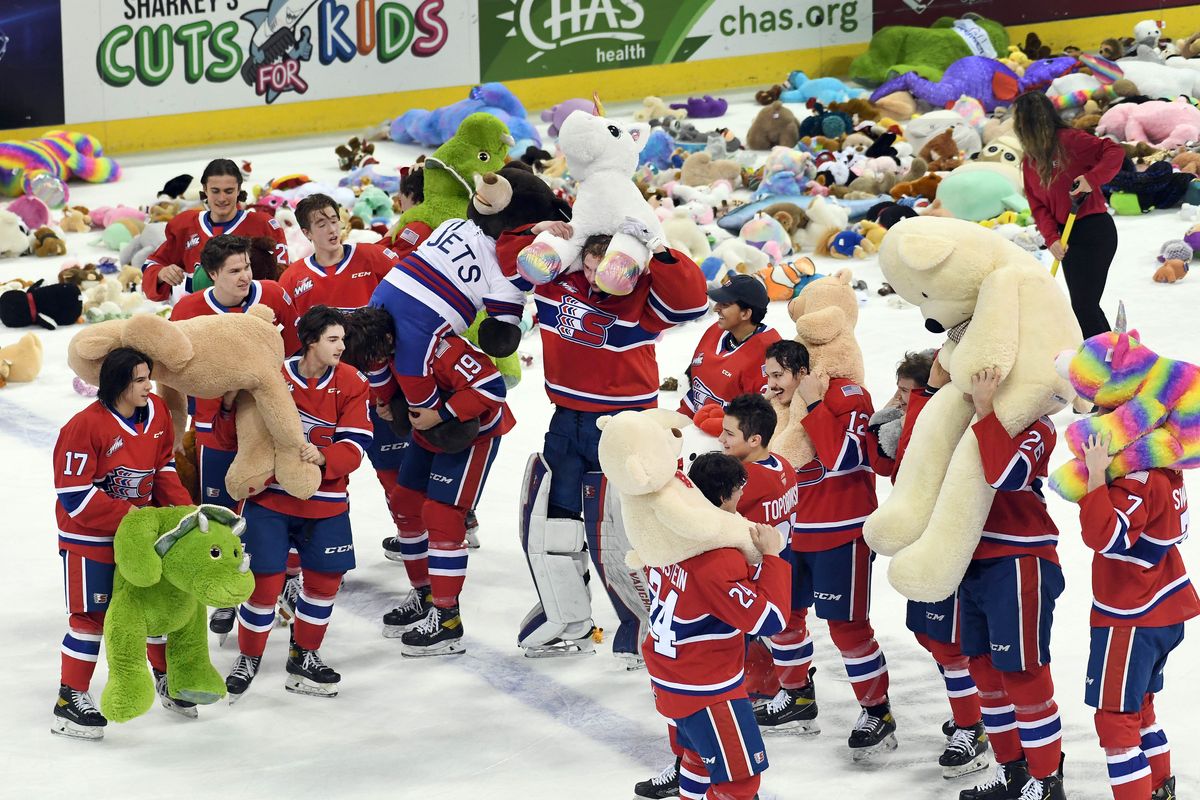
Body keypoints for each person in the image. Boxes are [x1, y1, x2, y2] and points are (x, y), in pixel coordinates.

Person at [496, 224, 709, 659]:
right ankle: (567, 616)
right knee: (553, 518)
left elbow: (691, 300)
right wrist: (541, 232)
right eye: (589, 267)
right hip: (566, 420)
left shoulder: (644, 299)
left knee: (621, 526)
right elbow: (508, 259)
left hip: (627, 426)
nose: (596, 279)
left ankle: (647, 624)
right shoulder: (558, 283)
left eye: (605, 269)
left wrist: (657, 246)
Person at [213, 306, 371, 700]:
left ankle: (305, 655)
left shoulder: (352, 381)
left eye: (343, 339)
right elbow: (231, 439)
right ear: (311, 342)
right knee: (263, 586)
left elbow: (356, 443)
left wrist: (325, 459)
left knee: (324, 584)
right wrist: (229, 404)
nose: (341, 346)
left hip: (326, 501)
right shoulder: (270, 376)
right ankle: (249, 657)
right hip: (270, 501)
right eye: (333, 339)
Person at [344, 307, 515, 656]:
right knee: (405, 503)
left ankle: (447, 618)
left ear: (389, 340)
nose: (373, 362)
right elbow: (388, 385)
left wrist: (442, 413)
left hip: (474, 434)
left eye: (374, 356)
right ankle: (424, 595)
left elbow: (493, 387)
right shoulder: (379, 349)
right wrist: (387, 405)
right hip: (430, 430)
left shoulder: (442, 349)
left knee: (442, 516)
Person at [755, 340, 896, 759]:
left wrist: (815, 404)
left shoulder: (849, 396)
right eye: (768, 375)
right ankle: (796, 696)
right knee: (784, 617)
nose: (771, 383)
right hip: (791, 531)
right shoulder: (778, 405)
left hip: (842, 532)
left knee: (847, 630)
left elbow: (845, 457)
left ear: (803, 372)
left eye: (778, 374)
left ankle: (878, 711)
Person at [51, 347, 194, 739]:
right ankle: (70, 699)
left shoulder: (159, 414)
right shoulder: (83, 427)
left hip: (142, 534)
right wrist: (134, 520)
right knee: (91, 619)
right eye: (140, 380)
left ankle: (166, 678)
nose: (150, 386)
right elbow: (75, 494)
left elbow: (162, 465)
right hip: (90, 538)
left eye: (149, 377)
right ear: (118, 385)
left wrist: (183, 513)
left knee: (154, 607)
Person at [640, 450, 790, 800]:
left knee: (696, 759)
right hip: (706, 690)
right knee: (740, 784)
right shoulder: (718, 558)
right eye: (739, 489)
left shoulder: (669, 534)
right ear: (725, 496)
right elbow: (771, 619)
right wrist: (772, 558)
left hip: (668, 676)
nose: (742, 496)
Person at [870, 352, 990, 779]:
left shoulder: (940, 420)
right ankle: (973, 709)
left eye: (907, 392)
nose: (900, 399)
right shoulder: (909, 417)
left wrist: (924, 395)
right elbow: (887, 467)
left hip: (948, 542)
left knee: (949, 642)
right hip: (920, 541)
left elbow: (927, 449)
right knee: (926, 632)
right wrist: (891, 415)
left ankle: (972, 724)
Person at [957, 369, 1066, 800]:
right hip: (972, 557)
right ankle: (1015, 775)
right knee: (985, 673)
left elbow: (1007, 475)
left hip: (1020, 558)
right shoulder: (964, 415)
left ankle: (1046, 780)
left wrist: (985, 411)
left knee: (1023, 675)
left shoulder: (1039, 423)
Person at [1077, 433, 1198, 800]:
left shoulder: (1140, 478)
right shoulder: (1169, 471)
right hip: (1163, 611)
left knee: (1115, 721)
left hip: (1131, 617)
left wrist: (1096, 475)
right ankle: (1160, 789)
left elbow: (1103, 535)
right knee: (1141, 708)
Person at [1014, 91, 1124, 339]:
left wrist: (1091, 178)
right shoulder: (1029, 161)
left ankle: (1108, 359)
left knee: (1084, 305)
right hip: (1066, 236)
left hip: (1094, 230)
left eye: (1021, 121)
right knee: (1081, 307)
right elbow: (1038, 206)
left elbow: (1114, 151)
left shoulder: (1071, 141)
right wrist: (1051, 237)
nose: (1018, 128)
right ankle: (1106, 354)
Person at [142, 158, 288, 303]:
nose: (222, 198)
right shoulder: (186, 226)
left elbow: (283, 279)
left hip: (250, 316)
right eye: (215, 191)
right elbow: (152, 264)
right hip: (200, 318)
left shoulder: (264, 225)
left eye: (229, 191)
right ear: (205, 190)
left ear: (239, 190)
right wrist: (162, 273)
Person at [278, 193, 400, 316]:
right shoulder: (291, 278)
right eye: (322, 225)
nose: (332, 229)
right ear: (307, 233)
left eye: (334, 221)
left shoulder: (374, 256)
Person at [679, 274, 780, 417]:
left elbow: (759, 421)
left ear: (745, 314)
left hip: (727, 435)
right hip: (694, 422)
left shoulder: (769, 354)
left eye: (725, 304)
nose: (716, 309)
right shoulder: (717, 331)